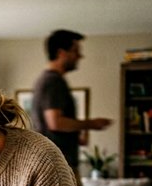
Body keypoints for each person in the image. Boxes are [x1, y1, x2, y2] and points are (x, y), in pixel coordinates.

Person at [31, 29, 112, 168]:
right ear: (61, 53)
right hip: (58, 166)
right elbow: (55, 122)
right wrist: (91, 124)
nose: (80, 56)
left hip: (56, 163)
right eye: (75, 51)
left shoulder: (48, 80)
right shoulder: (53, 81)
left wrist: (74, 137)